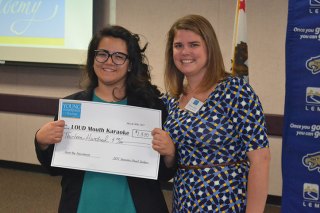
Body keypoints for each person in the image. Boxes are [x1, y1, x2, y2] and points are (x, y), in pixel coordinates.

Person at [35, 25, 174, 213]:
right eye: (102, 54)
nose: (109, 62)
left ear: (130, 64)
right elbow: (55, 167)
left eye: (119, 56)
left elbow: (163, 173)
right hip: (84, 206)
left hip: (135, 207)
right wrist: (42, 141)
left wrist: (170, 155)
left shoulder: (150, 108)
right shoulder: (72, 106)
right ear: (93, 59)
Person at [152, 14, 270, 213]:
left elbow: (261, 160)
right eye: (178, 45)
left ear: (209, 47)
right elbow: (172, 160)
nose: (185, 52)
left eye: (194, 44)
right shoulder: (171, 99)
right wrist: (170, 153)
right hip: (184, 202)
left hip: (227, 203)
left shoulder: (235, 91)